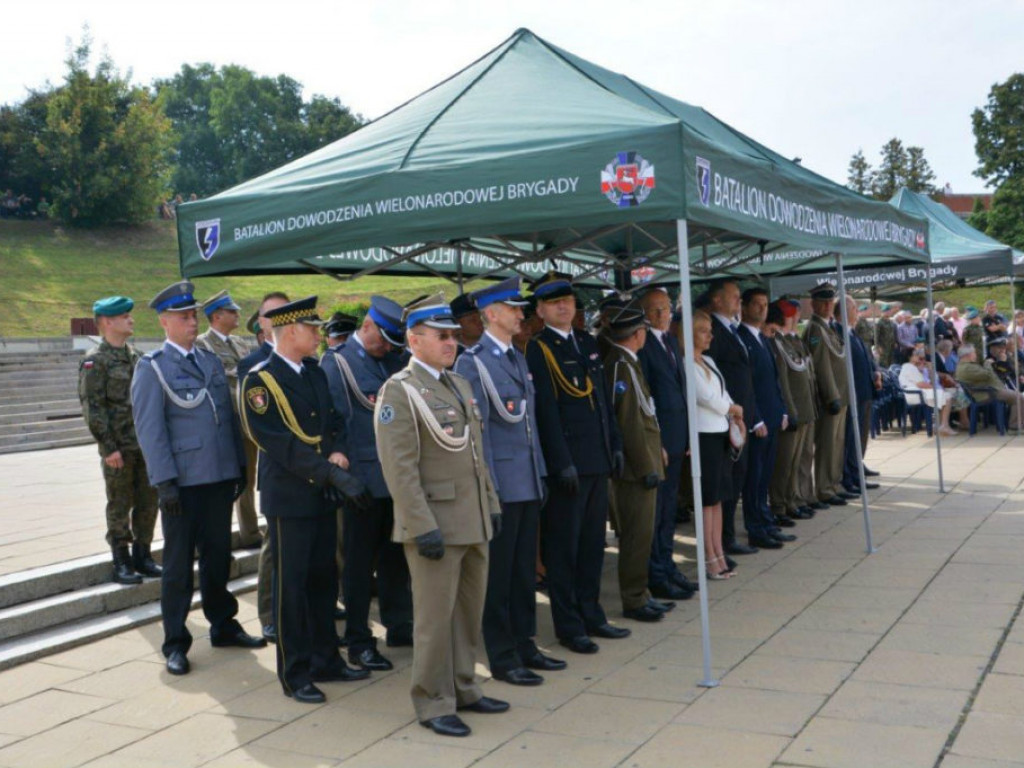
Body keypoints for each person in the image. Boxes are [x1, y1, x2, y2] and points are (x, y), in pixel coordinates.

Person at [375, 293, 508, 738]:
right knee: (433, 620)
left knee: (468, 614)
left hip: (472, 519)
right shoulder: (400, 390)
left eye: (453, 335)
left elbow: (475, 454)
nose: (452, 342)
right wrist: (420, 524)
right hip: (436, 523)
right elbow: (400, 468)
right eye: (442, 336)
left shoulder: (458, 384)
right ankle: (432, 701)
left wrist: (490, 503)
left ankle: (464, 686)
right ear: (414, 341)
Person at [240, 296, 372, 703]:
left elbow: (332, 420)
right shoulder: (260, 381)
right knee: (291, 588)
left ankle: (325, 659)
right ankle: (295, 673)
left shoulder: (313, 373)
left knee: (322, 581)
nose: (319, 335)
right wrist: (331, 471)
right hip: (290, 497)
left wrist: (338, 451)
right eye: (312, 328)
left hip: (320, 492)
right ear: (291, 331)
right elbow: (277, 443)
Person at [131, 281, 264, 676]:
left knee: (218, 556)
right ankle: (175, 641)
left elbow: (228, 419)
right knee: (176, 565)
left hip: (218, 476)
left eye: (192, 315)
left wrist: (239, 466)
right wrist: (164, 482)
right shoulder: (152, 367)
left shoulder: (207, 361)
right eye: (183, 316)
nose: (191, 322)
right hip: (183, 484)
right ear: (164, 321)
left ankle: (223, 623)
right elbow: (150, 430)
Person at [454, 277, 563, 686]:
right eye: (515, 308)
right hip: (501, 486)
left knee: (522, 571)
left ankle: (525, 643)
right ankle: (501, 654)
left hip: (526, 481)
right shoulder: (473, 362)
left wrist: (539, 474)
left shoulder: (517, 356)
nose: (523, 315)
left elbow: (528, 424)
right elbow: (478, 435)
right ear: (492, 314)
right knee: (498, 575)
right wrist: (491, 490)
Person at [525, 273, 627, 655]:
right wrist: (560, 462)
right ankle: (569, 625)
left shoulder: (587, 343)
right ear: (540, 310)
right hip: (568, 467)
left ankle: (592, 614)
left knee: (592, 546)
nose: (563, 307)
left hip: (596, 459)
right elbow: (546, 412)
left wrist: (614, 444)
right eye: (553, 303)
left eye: (567, 300)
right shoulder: (540, 348)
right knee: (563, 549)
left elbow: (602, 402)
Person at [321, 296, 413, 670]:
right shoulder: (338, 362)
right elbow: (334, 424)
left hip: (394, 479)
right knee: (358, 567)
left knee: (395, 558)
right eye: (384, 339)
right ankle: (359, 639)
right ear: (368, 327)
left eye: (395, 342)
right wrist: (346, 478)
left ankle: (399, 623)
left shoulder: (391, 359)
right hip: (361, 481)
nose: (389, 348)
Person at [79, 296, 161, 585]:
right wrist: (108, 447)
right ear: (107, 322)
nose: (131, 319)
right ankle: (121, 560)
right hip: (119, 449)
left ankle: (143, 554)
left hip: (144, 446)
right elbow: (93, 407)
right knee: (119, 503)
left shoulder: (137, 357)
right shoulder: (95, 361)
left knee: (149, 501)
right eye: (124, 316)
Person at [603, 304, 669, 622]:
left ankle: (641, 593)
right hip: (635, 469)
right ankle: (633, 598)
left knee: (643, 535)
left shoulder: (629, 362)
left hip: (646, 460)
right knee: (635, 536)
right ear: (638, 334)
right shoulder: (620, 366)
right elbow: (628, 423)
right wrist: (647, 466)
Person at [237, 292, 290, 644]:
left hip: (310, 473)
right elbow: (257, 424)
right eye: (273, 315)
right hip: (278, 470)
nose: (280, 320)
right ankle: (269, 613)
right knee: (274, 547)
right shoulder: (253, 365)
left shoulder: (305, 359)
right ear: (261, 322)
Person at [638, 287, 695, 601]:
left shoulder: (672, 341)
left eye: (665, 308)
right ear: (644, 314)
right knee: (657, 513)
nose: (662, 315)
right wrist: (656, 440)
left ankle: (668, 566)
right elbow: (647, 399)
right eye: (655, 310)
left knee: (669, 510)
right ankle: (655, 574)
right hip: (660, 442)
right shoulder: (644, 345)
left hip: (677, 439)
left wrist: (686, 435)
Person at [196, 290, 260, 549]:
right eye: (232, 311)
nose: (237, 315)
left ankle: (250, 531)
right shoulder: (203, 344)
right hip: (221, 424)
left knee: (248, 478)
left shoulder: (240, 343)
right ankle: (214, 536)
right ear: (217, 316)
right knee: (221, 482)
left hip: (245, 422)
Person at [705, 280, 759, 559]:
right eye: (734, 297)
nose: (739, 301)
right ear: (716, 300)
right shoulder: (712, 330)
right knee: (727, 483)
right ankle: (724, 540)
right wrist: (731, 414)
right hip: (726, 419)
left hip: (741, 416)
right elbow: (714, 377)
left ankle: (727, 538)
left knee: (736, 480)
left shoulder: (731, 329)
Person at [736, 287, 793, 549]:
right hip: (757, 421)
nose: (762, 308)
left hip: (773, 416)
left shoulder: (763, 338)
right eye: (756, 304)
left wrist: (781, 409)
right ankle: (756, 527)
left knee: (766, 475)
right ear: (744, 307)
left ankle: (766, 521)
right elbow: (745, 385)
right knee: (754, 477)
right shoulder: (742, 338)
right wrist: (755, 418)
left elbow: (774, 379)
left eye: (764, 304)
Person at [690, 311, 743, 580]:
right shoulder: (687, 363)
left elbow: (723, 391)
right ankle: (708, 557)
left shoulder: (708, 360)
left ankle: (719, 552)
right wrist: (732, 408)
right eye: (703, 331)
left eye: (710, 330)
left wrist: (735, 413)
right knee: (707, 499)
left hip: (720, 432)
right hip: (704, 436)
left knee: (719, 498)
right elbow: (707, 397)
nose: (710, 335)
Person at [766, 300, 816, 522]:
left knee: (796, 461)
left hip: (804, 407)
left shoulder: (791, 341)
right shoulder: (778, 342)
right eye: (792, 315)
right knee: (784, 463)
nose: (796, 318)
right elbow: (784, 381)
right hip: (792, 409)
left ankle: (791, 500)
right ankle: (780, 504)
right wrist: (790, 410)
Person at [803, 286, 849, 507]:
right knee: (827, 445)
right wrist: (831, 396)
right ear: (813, 303)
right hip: (830, 398)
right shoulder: (815, 329)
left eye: (830, 302)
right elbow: (822, 365)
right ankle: (824, 488)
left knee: (837, 444)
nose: (828, 306)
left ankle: (833, 484)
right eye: (823, 302)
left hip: (841, 395)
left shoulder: (827, 327)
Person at [835, 297, 881, 495]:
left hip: (864, 390)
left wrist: (875, 372)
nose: (857, 312)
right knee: (850, 438)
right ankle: (850, 476)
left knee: (860, 435)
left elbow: (866, 357)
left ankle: (857, 468)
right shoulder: (838, 333)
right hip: (852, 392)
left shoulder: (851, 332)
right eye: (854, 308)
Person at [956, 343, 1024, 428]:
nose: (975, 355)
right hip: (987, 393)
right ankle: (1015, 424)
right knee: (1018, 397)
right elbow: (987, 375)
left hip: (991, 390)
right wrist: (987, 364)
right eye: (974, 352)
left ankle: (1017, 422)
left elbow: (985, 376)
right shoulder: (967, 368)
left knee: (1018, 395)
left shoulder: (967, 365)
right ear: (968, 354)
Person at [899, 348, 956, 436]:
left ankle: (941, 426)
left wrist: (929, 371)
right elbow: (921, 384)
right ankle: (943, 425)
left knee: (945, 395)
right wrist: (936, 388)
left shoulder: (913, 367)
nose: (918, 356)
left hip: (919, 392)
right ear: (909, 357)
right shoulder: (909, 368)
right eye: (915, 354)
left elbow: (926, 382)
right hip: (916, 395)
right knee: (947, 396)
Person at [874, 304, 898, 368]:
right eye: (886, 311)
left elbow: (892, 333)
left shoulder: (890, 322)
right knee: (883, 364)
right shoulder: (879, 323)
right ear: (882, 312)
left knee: (891, 362)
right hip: (883, 347)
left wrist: (895, 342)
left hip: (891, 346)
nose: (888, 313)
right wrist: (878, 347)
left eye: (889, 311)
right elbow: (876, 336)